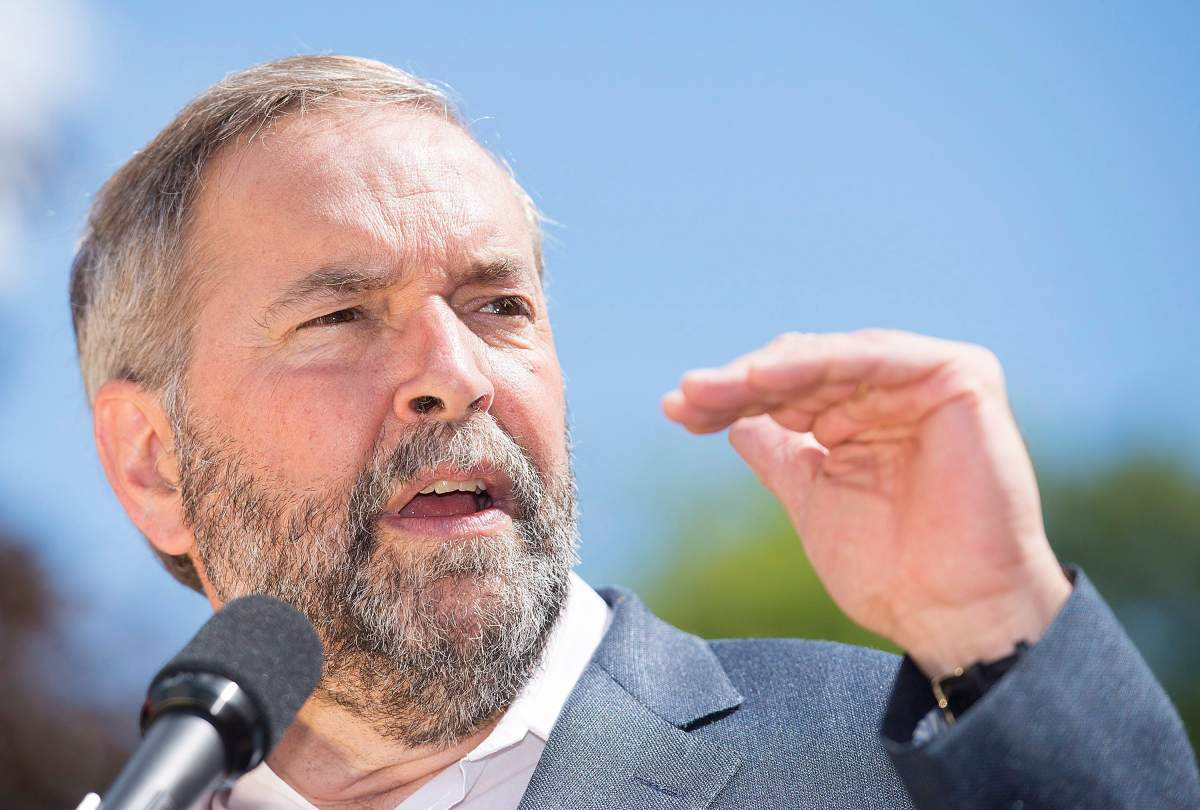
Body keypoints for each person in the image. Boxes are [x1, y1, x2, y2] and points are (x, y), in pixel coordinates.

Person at [70, 55, 1198, 809]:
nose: (453, 376)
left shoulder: (887, 765)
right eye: (341, 316)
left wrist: (998, 627)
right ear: (152, 462)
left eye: (498, 305)